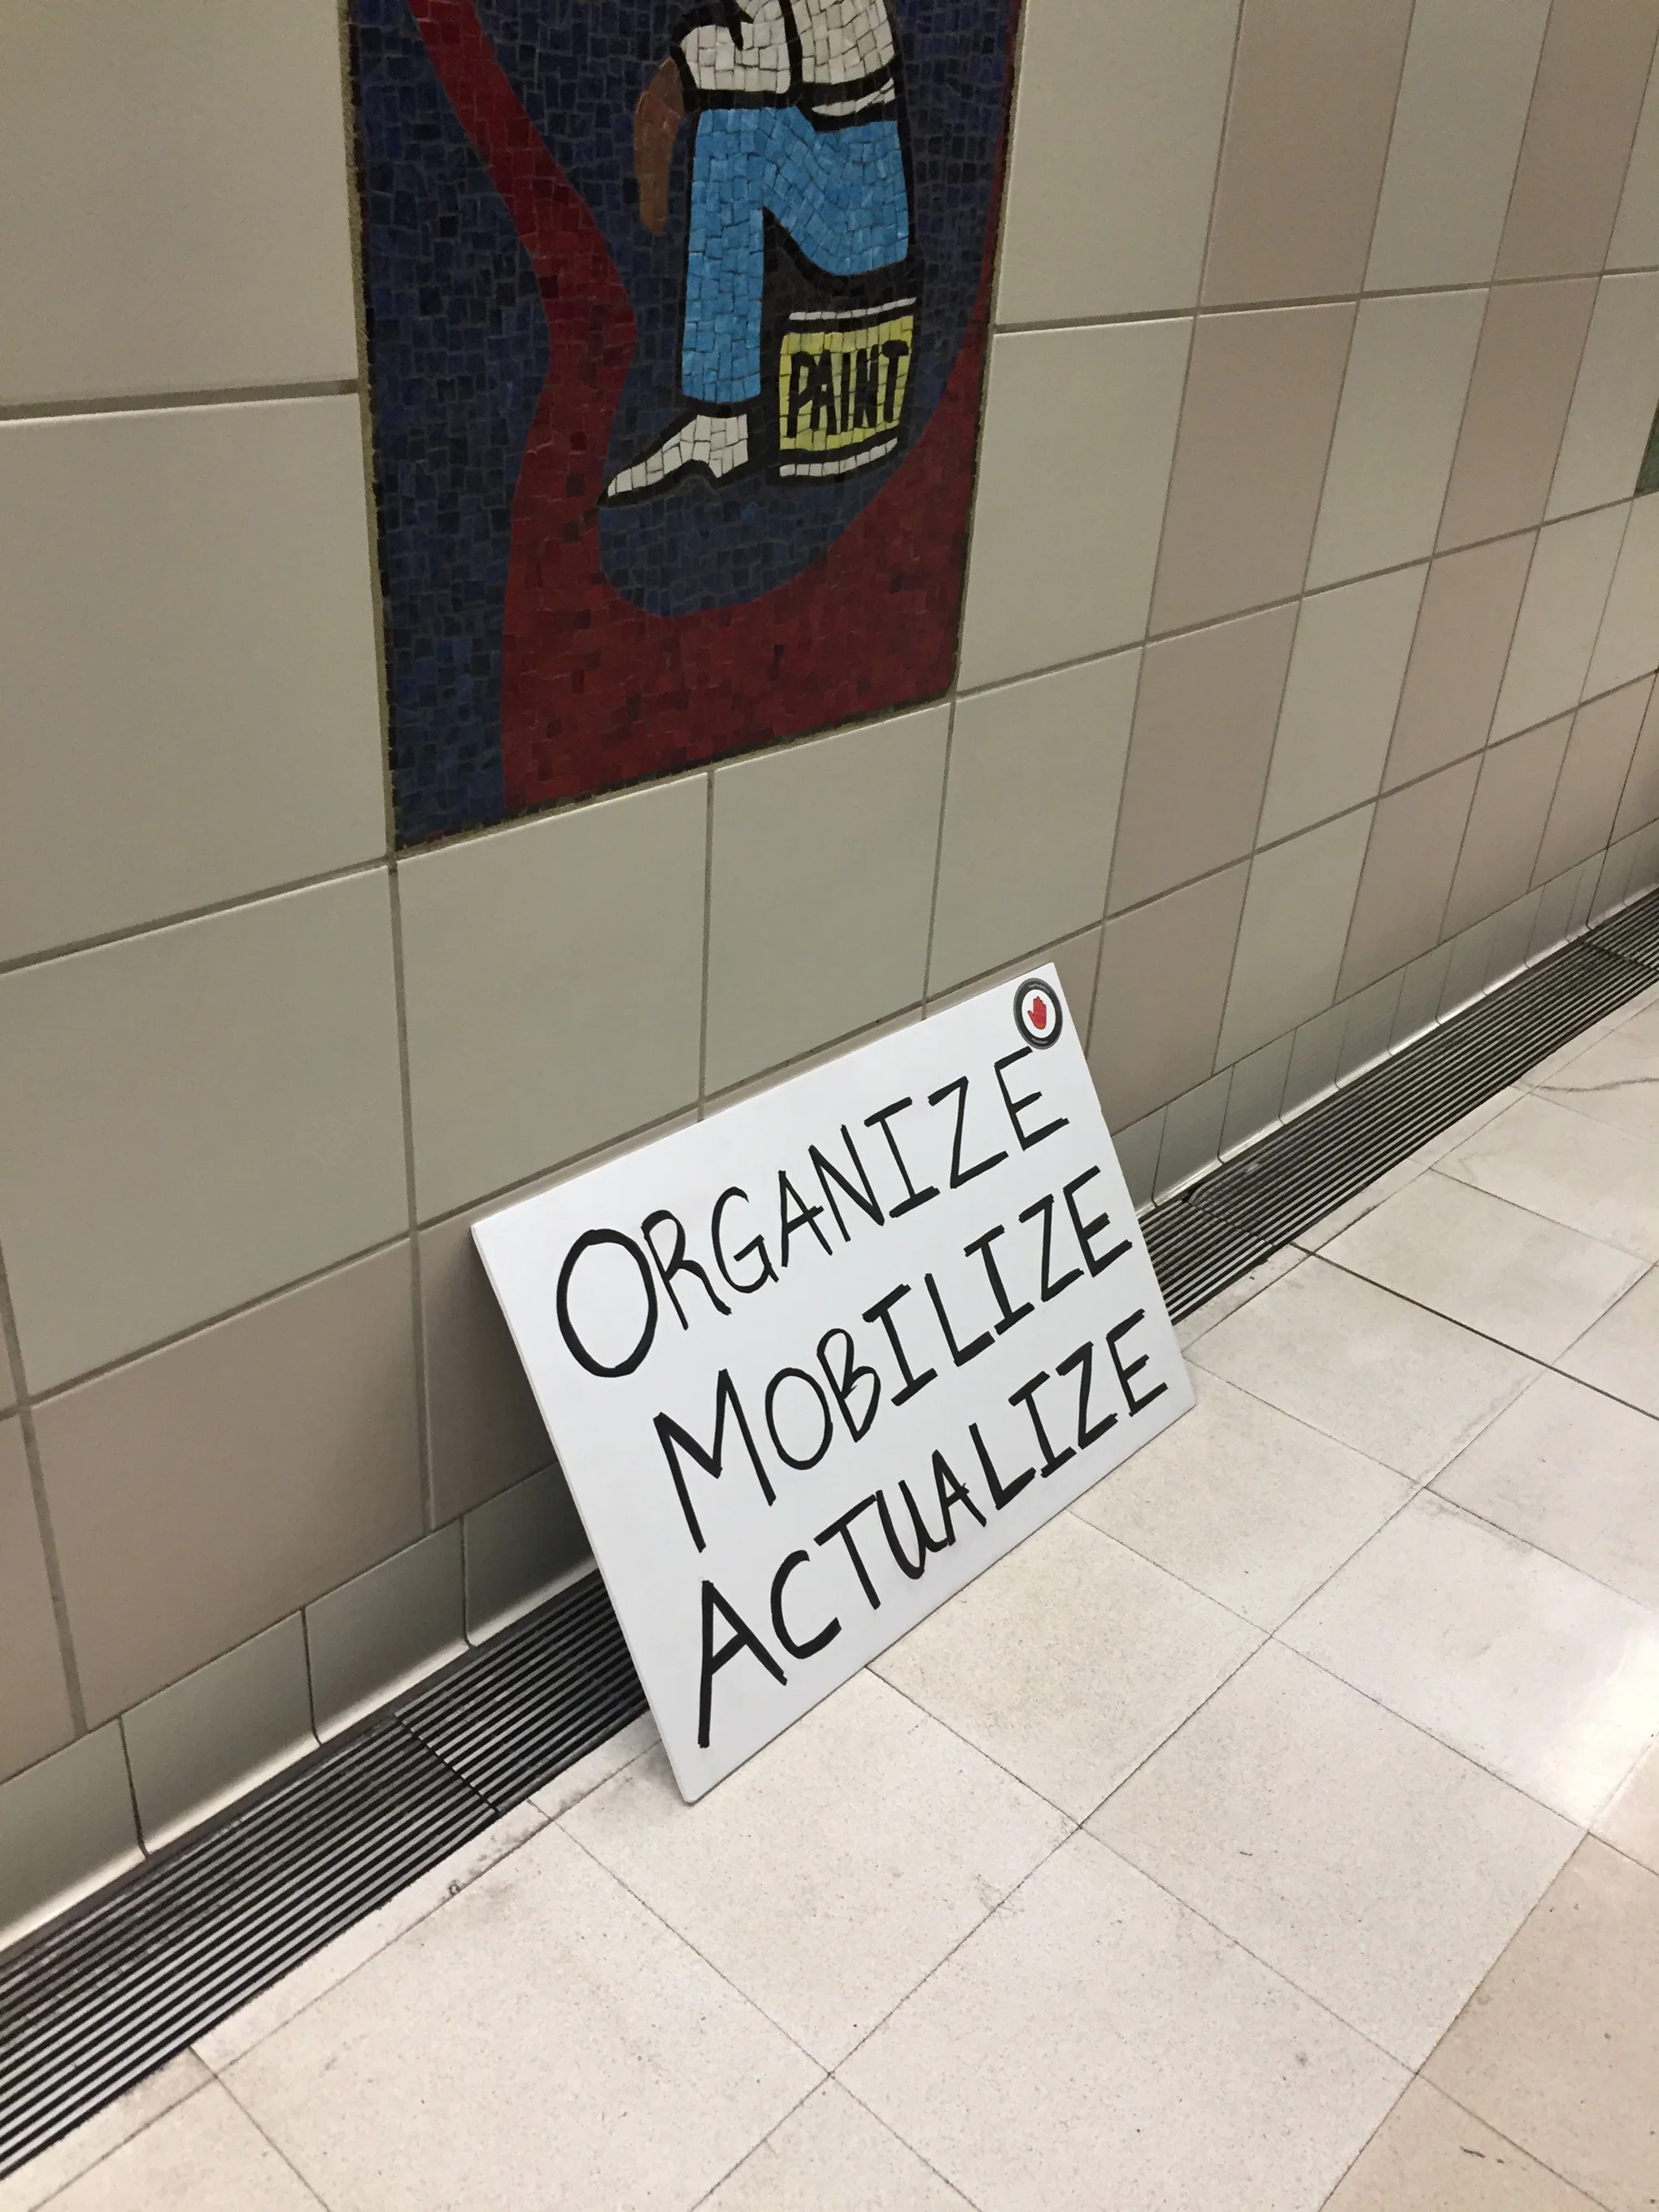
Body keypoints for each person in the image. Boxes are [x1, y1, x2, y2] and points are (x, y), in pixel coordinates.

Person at [604, 0, 913, 503]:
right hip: (844, 186)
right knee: (733, 130)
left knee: (736, 134)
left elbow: (776, 66)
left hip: (866, 211)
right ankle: (720, 419)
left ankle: (722, 423)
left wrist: (674, 80)